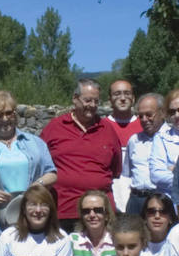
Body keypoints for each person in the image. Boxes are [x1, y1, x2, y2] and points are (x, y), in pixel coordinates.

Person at [41, 79, 122, 229]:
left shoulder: (108, 129)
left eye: (96, 101)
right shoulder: (55, 127)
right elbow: (39, 162)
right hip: (64, 211)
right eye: (87, 100)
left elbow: (116, 169)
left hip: (100, 211)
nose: (92, 105)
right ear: (75, 98)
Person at [0, 90, 57, 231]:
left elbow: (52, 173)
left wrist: (38, 184)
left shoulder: (35, 142)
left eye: (9, 113)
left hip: (34, 213)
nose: (5, 119)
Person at [123, 92, 165, 216]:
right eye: (140, 116)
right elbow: (128, 173)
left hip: (161, 201)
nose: (144, 119)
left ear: (162, 113)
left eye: (149, 115)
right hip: (136, 200)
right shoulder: (134, 140)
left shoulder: (171, 139)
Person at [69, 189, 115, 256]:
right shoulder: (73, 241)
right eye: (86, 211)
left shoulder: (117, 241)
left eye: (98, 210)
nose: (92, 214)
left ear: (107, 214)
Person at [141, 191, 177, 256]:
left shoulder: (178, 247)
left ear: (171, 218)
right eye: (151, 211)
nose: (157, 216)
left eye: (163, 212)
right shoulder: (134, 246)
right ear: (145, 217)